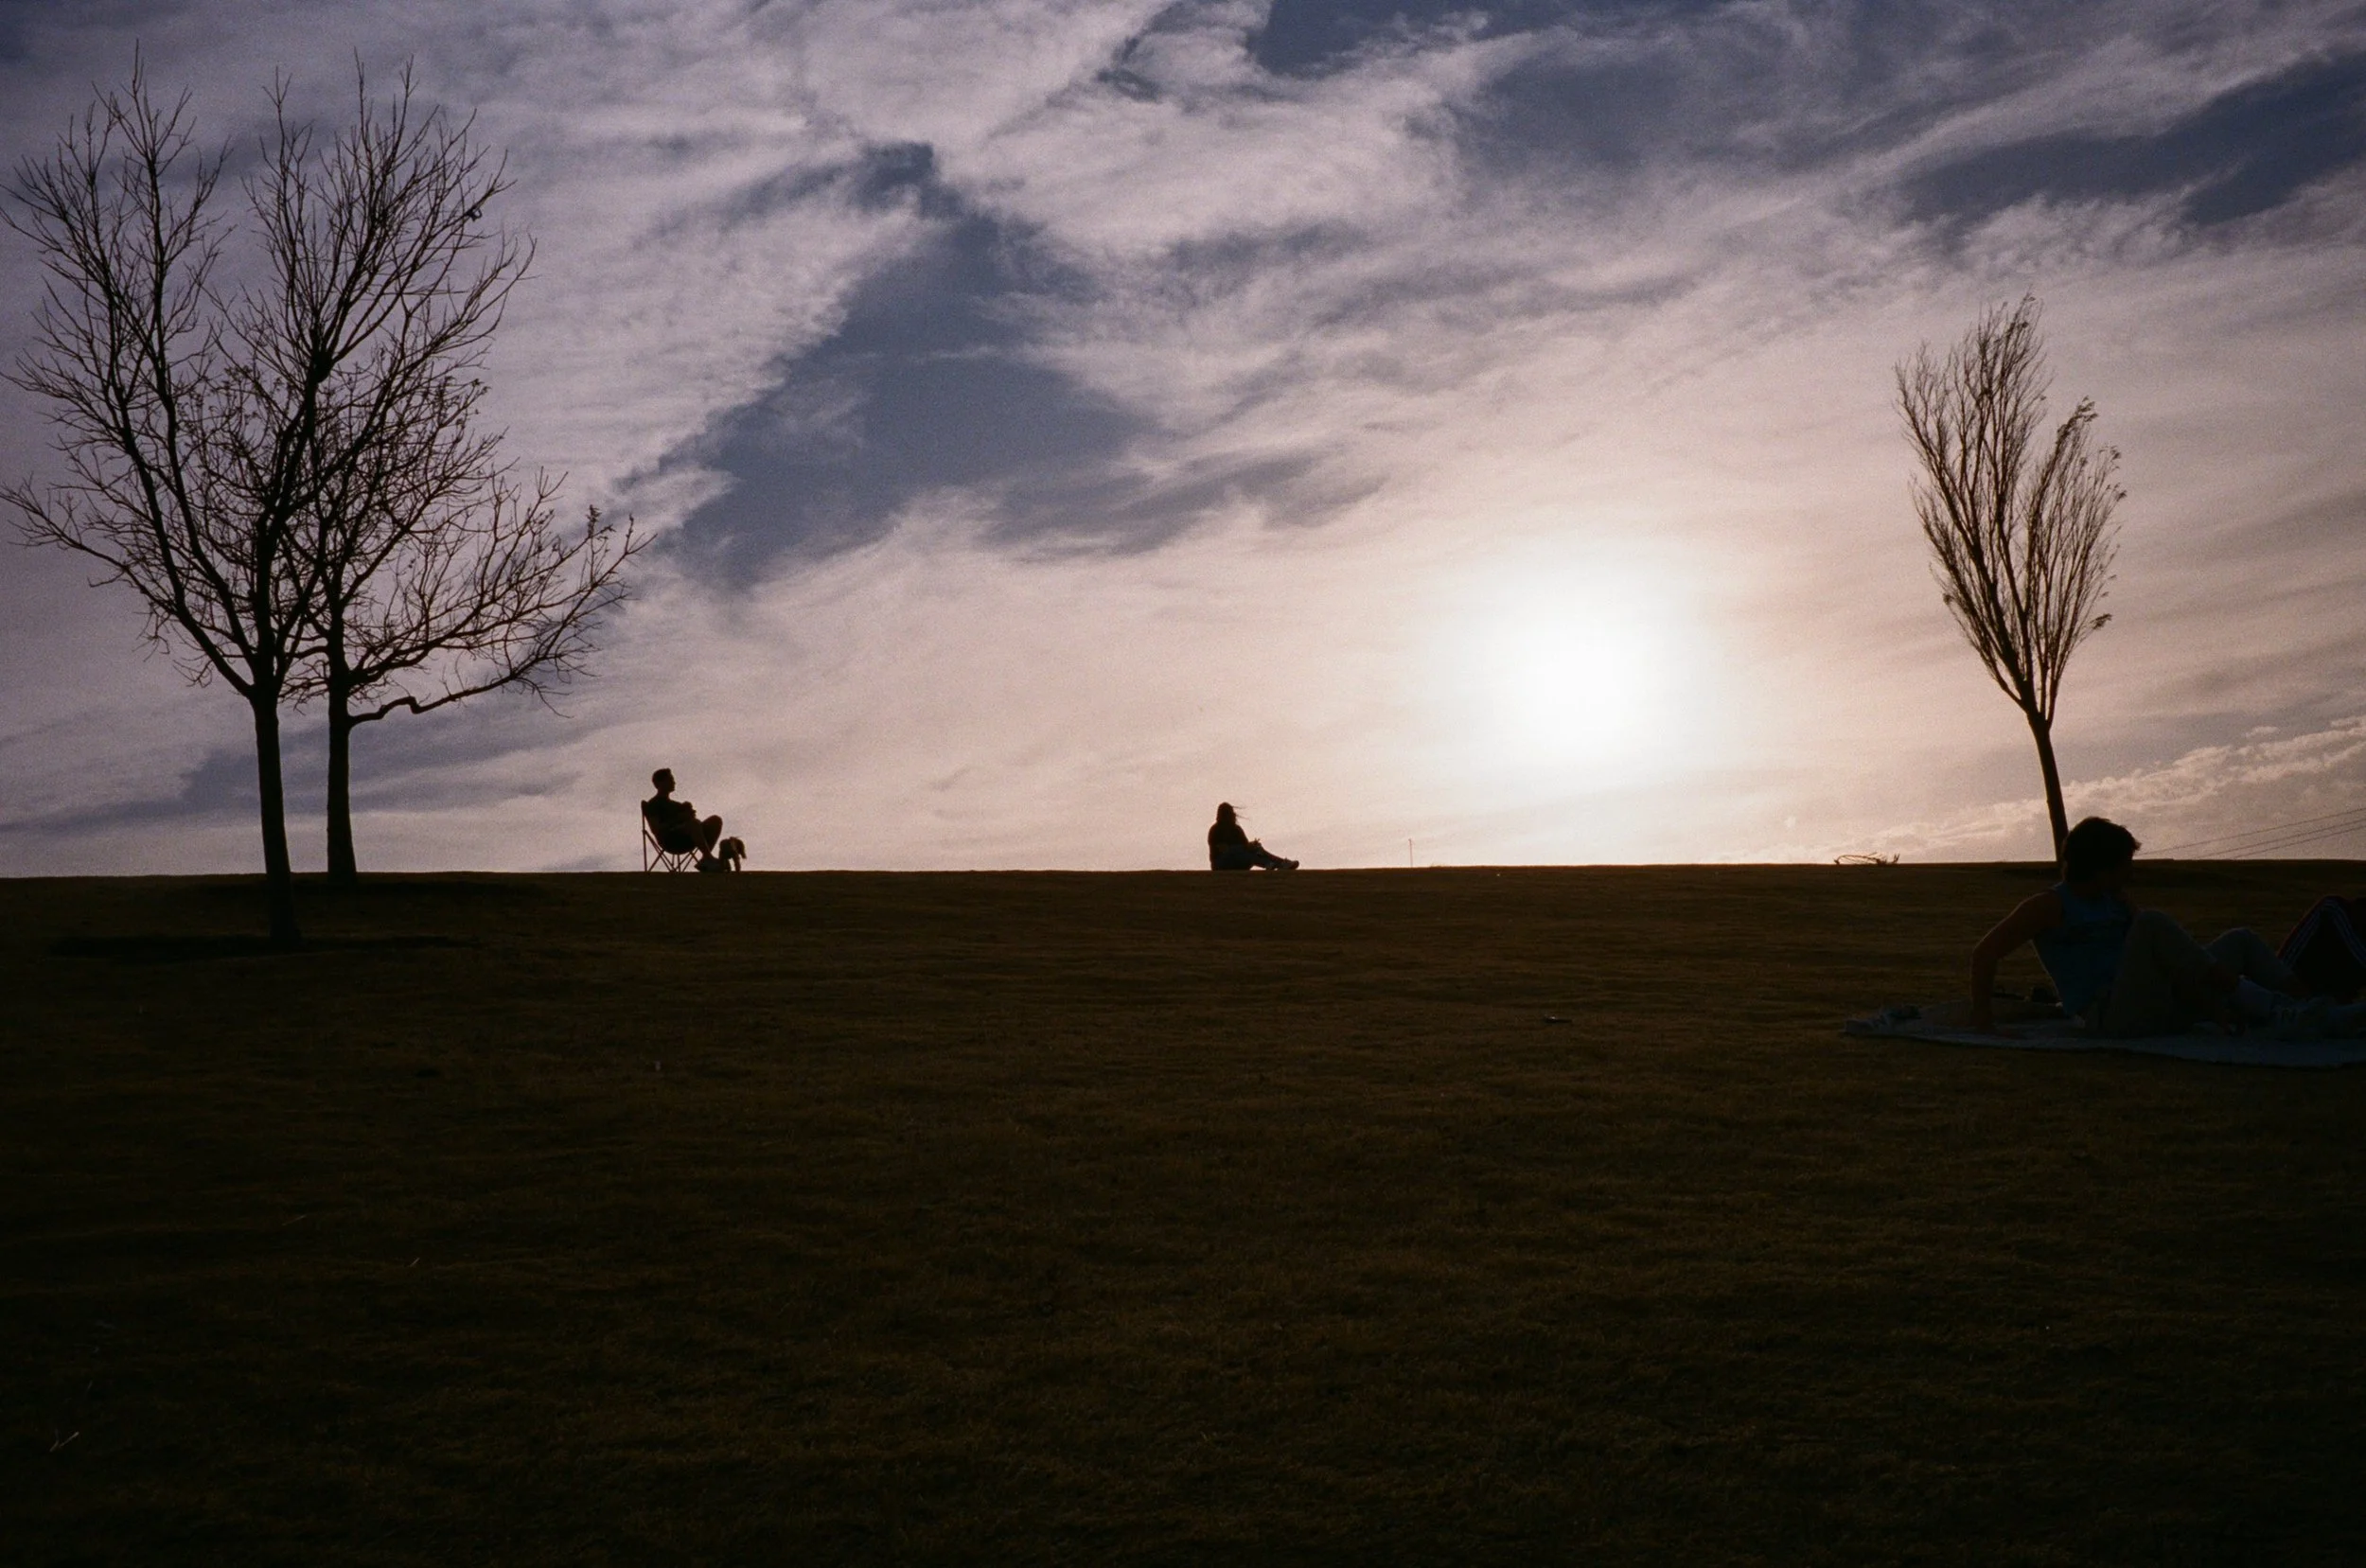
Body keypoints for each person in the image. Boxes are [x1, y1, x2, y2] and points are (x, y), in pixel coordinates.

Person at [1968, 816, 2322, 1036]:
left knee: (2240, 941)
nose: (2130, 873)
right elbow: (1985, 953)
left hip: (2157, 1003)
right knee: (2152, 923)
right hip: (2111, 1015)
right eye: (2125, 864)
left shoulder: (2117, 903)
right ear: (2101, 867)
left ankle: (2314, 1008)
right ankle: (2264, 1004)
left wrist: (2212, 1009)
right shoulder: (2049, 905)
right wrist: (1985, 1023)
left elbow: (2168, 963)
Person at [643, 768, 731, 869]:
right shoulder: (653, 804)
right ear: (659, 783)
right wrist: (681, 818)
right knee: (693, 824)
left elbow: (690, 821)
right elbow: (656, 829)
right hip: (670, 840)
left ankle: (705, 859)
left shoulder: (677, 805)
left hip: (687, 838)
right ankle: (708, 858)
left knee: (715, 820)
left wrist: (690, 815)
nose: (674, 782)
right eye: (670, 779)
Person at [1207, 802, 1298, 872]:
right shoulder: (1215, 830)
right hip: (1220, 864)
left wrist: (1252, 846)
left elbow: (1245, 845)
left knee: (1257, 850)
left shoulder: (1236, 829)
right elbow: (1224, 850)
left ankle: (1280, 863)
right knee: (1247, 855)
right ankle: (1269, 864)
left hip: (1239, 861)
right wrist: (1246, 847)